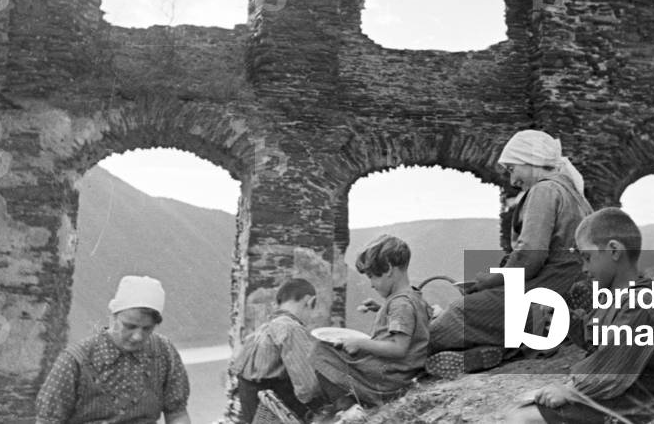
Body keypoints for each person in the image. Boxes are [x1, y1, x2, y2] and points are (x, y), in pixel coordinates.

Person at [426, 129, 594, 378]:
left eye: (513, 169)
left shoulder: (545, 190)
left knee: (455, 316)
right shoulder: (573, 192)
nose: (512, 179)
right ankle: (501, 350)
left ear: (529, 160)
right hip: (568, 292)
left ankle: (497, 348)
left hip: (548, 292)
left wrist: (490, 281)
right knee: (484, 313)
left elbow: (530, 256)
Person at [506, 208, 654, 424]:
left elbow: (612, 366)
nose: (584, 268)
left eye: (587, 257)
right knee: (520, 410)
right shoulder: (615, 297)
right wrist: (568, 320)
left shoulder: (640, 304)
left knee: (523, 419)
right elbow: (596, 342)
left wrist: (570, 391)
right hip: (609, 398)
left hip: (629, 406)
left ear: (614, 251)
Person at [35, 275, 191, 424]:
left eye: (147, 328)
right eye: (130, 326)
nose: (137, 336)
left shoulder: (163, 352)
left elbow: (176, 412)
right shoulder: (75, 361)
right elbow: (48, 420)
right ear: (113, 317)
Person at [307, 234, 431, 416]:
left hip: (389, 379)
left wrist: (360, 343)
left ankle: (348, 408)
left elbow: (399, 348)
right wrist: (381, 309)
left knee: (320, 351)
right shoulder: (411, 297)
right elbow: (409, 323)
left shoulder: (400, 304)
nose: (372, 285)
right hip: (401, 372)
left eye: (372, 277)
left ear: (388, 269)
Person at [231, 278, 319, 423]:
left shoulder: (263, 328)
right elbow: (308, 389)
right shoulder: (291, 328)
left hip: (255, 414)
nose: (310, 317)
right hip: (276, 414)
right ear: (309, 301)